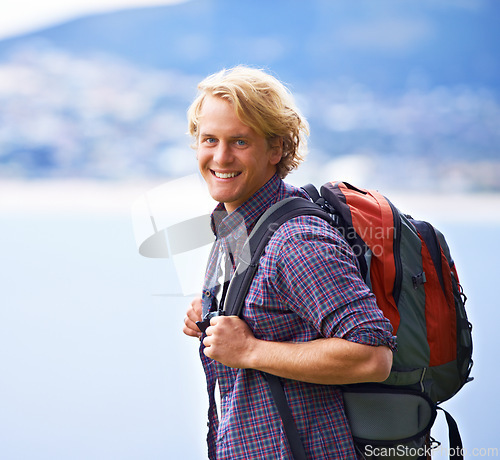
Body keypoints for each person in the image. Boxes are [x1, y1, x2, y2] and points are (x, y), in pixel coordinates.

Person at [182, 66, 396, 459]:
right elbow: (275, 314)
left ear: (276, 148)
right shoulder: (237, 224)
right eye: (209, 139)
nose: (220, 156)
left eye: (240, 142)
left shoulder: (296, 240)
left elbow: (372, 355)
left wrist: (248, 350)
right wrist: (213, 313)